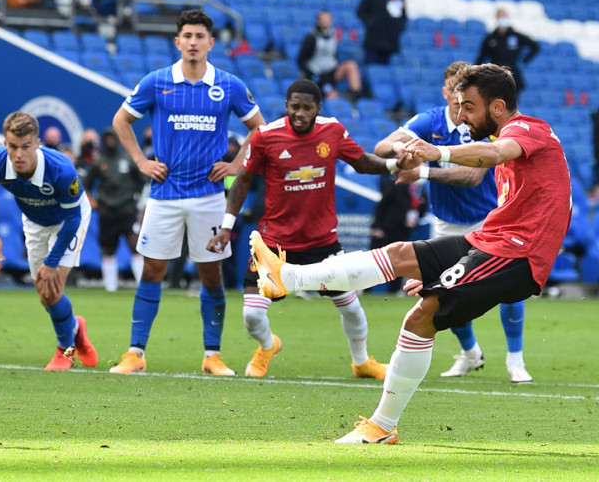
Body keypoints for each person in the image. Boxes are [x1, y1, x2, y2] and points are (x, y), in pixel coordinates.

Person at [250, 63, 571, 444]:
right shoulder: (512, 143)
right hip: (491, 240)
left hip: (517, 256)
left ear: (498, 107)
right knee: (401, 254)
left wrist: (439, 152)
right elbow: (512, 209)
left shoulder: (524, 129)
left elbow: (494, 153)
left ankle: (382, 426)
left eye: (468, 106)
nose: (461, 114)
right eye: (457, 105)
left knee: (421, 317)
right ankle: (287, 279)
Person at [108, 9, 263, 376]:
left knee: (211, 275)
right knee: (153, 270)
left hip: (209, 197)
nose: (193, 42)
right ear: (177, 42)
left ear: (211, 42)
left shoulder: (229, 85)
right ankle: (135, 353)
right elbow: (121, 120)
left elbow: (259, 128)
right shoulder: (157, 82)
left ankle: (213, 355)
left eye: (200, 36)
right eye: (187, 36)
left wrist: (237, 164)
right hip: (165, 194)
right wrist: (142, 162)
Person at [208, 79, 395, 380]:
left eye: (307, 107)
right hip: (274, 244)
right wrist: (226, 226)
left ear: (318, 109)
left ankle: (362, 362)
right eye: (295, 106)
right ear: (286, 106)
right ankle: (268, 346)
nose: (300, 112)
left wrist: (394, 165)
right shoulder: (267, 137)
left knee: (351, 308)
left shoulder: (332, 131)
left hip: (323, 244)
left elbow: (362, 163)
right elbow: (242, 180)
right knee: (252, 316)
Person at [374, 61, 532, 383]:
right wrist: (403, 148)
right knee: (448, 292)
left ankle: (515, 360)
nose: (460, 104)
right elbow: (381, 147)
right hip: (445, 222)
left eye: (467, 98)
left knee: (510, 292)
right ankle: (471, 353)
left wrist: (423, 169)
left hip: (487, 221)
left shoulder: (487, 124)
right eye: (455, 94)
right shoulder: (431, 120)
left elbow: (473, 177)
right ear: (446, 91)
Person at [0, 112, 99, 370]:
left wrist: (52, 261)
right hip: (34, 221)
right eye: (12, 147)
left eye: (25, 147)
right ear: (5, 144)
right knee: (44, 296)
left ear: (37, 144)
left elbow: (72, 221)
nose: (18, 154)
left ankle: (64, 351)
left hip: (70, 220)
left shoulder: (61, 170)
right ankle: (76, 328)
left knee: (53, 287)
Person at [83, 127, 146, 292]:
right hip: (107, 214)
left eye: (113, 137)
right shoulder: (99, 161)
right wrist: (95, 204)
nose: (110, 140)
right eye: (107, 137)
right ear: (103, 140)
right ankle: (110, 287)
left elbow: (143, 180)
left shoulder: (127, 159)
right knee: (108, 250)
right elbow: (85, 186)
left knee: (135, 246)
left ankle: (143, 285)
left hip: (127, 212)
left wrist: (137, 201)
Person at [297, 10, 363, 100]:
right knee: (330, 95)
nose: (326, 22)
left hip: (332, 71)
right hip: (318, 74)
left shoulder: (333, 35)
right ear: (318, 20)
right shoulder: (311, 38)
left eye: (328, 19)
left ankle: (355, 95)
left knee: (351, 65)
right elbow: (301, 60)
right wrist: (312, 76)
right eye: (323, 19)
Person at [475, 9, 539, 92]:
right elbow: (481, 57)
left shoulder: (516, 36)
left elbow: (535, 46)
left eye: (504, 17)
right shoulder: (490, 38)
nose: (502, 20)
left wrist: (524, 60)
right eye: (500, 17)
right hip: (496, 76)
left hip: (512, 75)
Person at [356, 0, 406, 65]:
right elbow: (360, 12)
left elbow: (403, 16)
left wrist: (397, 28)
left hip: (390, 42)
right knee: (371, 68)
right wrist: (372, 23)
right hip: (373, 41)